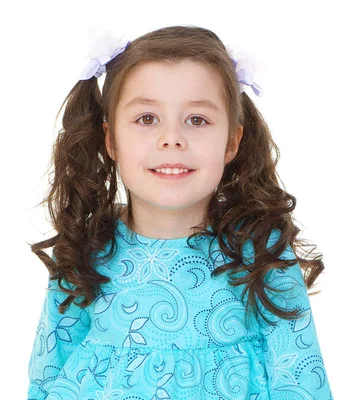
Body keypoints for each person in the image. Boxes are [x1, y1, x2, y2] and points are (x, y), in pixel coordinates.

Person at [26, 25, 332, 399]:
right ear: (111, 139)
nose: (172, 138)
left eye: (197, 120)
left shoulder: (260, 250)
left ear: (232, 141)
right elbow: (47, 373)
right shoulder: (86, 249)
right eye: (147, 119)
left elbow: (300, 378)